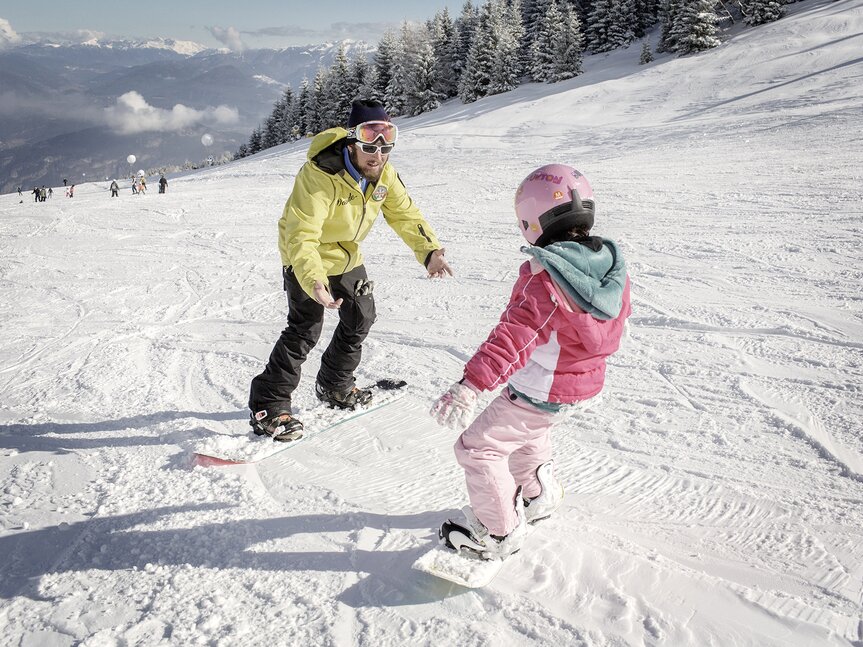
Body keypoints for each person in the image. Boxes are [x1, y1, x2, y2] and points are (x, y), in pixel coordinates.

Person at [430, 164, 632, 560]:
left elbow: (514, 336)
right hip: (578, 385)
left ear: (532, 220)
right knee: (529, 432)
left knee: (478, 449)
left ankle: (498, 532)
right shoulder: (609, 265)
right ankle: (538, 495)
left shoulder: (545, 278)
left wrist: (471, 385)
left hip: (543, 388)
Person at [248, 98, 453, 441]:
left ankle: (334, 384)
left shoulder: (383, 174)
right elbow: (302, 235)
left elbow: (405, 214)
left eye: (386, 147)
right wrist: (314, 280)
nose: (378, 155)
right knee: (305, 329)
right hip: (306, 256)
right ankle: (268, 406)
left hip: (345, 256)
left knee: (361, 317)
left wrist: (429, 250)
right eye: (370, 146)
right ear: (353, 142)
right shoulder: (319, 174)